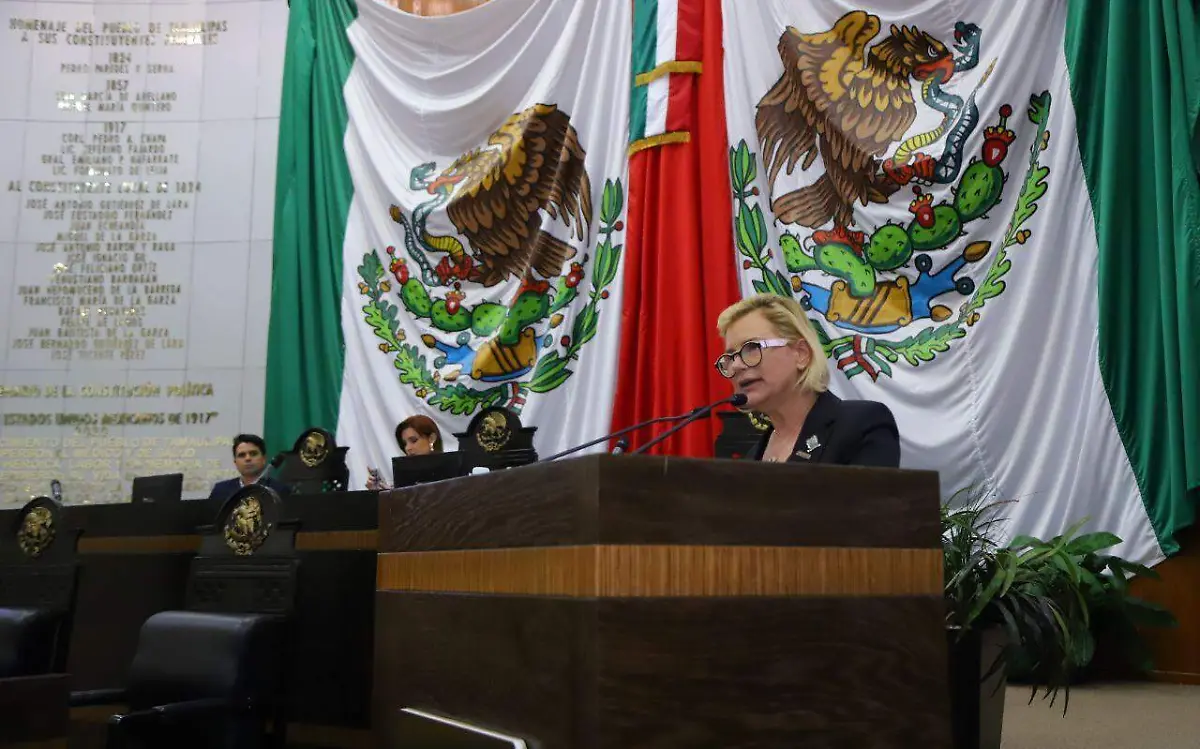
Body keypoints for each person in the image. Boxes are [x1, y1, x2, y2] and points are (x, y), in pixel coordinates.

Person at [715, 294, 900, 467]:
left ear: (801, 354)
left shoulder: (862, 426)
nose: (736, 365)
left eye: (752, 347)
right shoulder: (753, 456)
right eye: (730, 357)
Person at [366, 415, 444, 490]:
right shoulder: (404, 480)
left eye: (413, 440)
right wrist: (382, 493)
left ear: (432, 438)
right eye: (404, 444)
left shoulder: (453, 475)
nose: (407, 448)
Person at [208, 434, 292, 502]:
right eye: (242, 455)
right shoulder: (220, 490)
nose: (248, 458)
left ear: (264, 459)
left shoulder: (280, 490)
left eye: (253, 454)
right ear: (235, 463)